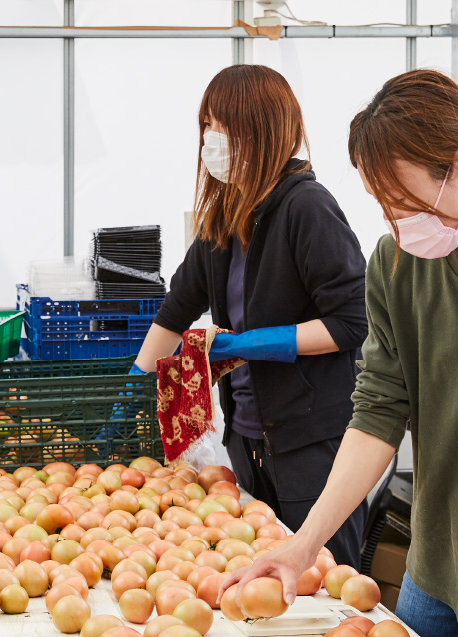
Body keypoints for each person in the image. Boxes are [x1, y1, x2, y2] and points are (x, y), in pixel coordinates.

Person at [222, 69, 458, 637]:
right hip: (435, 567)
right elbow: (375, 414)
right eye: (382, 206)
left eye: (404, 204)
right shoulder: (398, 267)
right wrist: (304, 542)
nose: (395, 226)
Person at [135, 65, 369, 567]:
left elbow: (352, 321)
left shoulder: (308, 209)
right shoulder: (225, 213)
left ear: (263, 131)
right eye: (206, 126)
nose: (210, 141)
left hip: (310, 442)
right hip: (246, 439)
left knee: (324, 580)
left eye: (223, 127)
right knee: (259, 572)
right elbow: (176, 307)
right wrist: (131, 394)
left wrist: (248, 345)